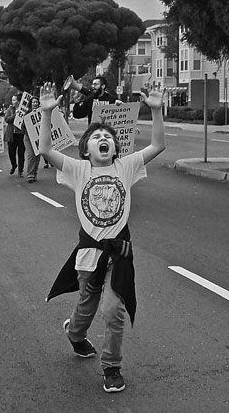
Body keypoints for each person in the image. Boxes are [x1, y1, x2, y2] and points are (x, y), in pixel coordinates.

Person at [40, 82, 166, 393]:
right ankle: (75, 334)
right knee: (87, 306)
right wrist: (47, 113)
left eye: (107, 137)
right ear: (86, 149)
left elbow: (157, 146)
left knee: (113, 310)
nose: (103, 139)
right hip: (89, 256)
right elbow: (45, 150)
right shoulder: (78, 170)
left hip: (119, 254)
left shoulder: (126, 167)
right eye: (96, 137)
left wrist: (157, 110)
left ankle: (112, 368)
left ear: (115, 147)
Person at [4, 94, 25, 177]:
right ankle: (14, 164)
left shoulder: (23, 110)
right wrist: (15, 115)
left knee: (21, 152)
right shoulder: (10, 110)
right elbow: (7, 119)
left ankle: (20, 170)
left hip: (21, 134)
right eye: (12, 100)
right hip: (12, 134)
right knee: (11, 152)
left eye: (14, 100)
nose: (13, 102)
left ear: (19, 101)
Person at [23, 95, 41, 183]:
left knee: (37, 156)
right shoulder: (27, 114)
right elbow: (23, 126)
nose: (35, 103)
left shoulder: (42, 112)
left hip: (39, 138)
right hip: (28, 137)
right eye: (33, 102)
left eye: (37, 102)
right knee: (31, 155)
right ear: (30, 104)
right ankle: (30, 174)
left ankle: (34, 173)